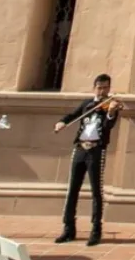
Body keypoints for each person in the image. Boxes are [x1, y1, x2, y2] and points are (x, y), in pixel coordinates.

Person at [53, 73, 124, 246]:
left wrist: (111, 112)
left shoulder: (110, 106)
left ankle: (96, 230)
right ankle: (68, 228)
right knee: (72, 189)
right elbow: (72, 115)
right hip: (80, 148)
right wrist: (61, 122)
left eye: (105, 88)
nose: (102, 91)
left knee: (96, 191)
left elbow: (108, 126)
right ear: (94, 88)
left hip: (96, 150)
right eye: (99, 88)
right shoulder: (87, 104)